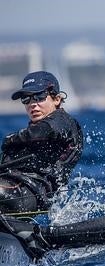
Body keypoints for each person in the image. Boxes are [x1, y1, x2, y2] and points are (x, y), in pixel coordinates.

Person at [0, 71, 83, 214]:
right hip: (13, 187)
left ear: (56, 99)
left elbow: (48, 129)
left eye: (39, 97)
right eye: (26, 99)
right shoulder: (36, 129)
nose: (32, 104)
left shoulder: (63, 121)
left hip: (29, 193)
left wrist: (11, 139)